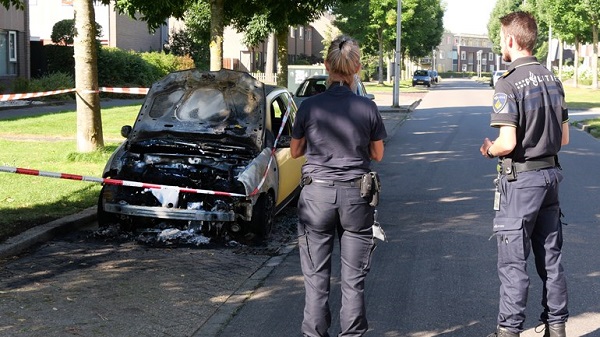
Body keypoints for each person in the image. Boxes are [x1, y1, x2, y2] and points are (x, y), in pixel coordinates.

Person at [479, 11, 570, 337]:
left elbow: (508, 142)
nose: (501, 44)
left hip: (521, 184)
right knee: (551, 260)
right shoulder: (552, 79)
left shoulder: (508, 82)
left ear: (511, 40)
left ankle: (510, 330)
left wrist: (490, 149)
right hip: (549, 178)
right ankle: (556, 327)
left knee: (513, 263)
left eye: (502, 38)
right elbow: (565, 138)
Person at [290, 35, 387, 337]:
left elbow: (295, 151)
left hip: (316, 195)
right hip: (356, 197)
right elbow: (378, 154)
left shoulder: (309, 106)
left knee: (316, 280)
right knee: (352, 280)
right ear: (357, 66)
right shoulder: (366, 107)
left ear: (325, 65)